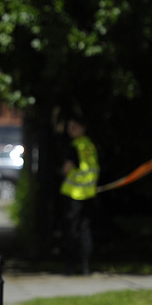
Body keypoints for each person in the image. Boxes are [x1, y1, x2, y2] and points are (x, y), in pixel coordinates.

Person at [59, 114, 99, 275]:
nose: (70, 130)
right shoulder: (89, 146)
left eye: (73, 127)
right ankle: (85, 267)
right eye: (69, 127)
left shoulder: (75, 146)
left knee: (71, 231)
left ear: (82, 128)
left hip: (74, 194)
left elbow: (67, 169)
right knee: (85, 231)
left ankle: (70, 267)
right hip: (89, 194)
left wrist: (61, 172)